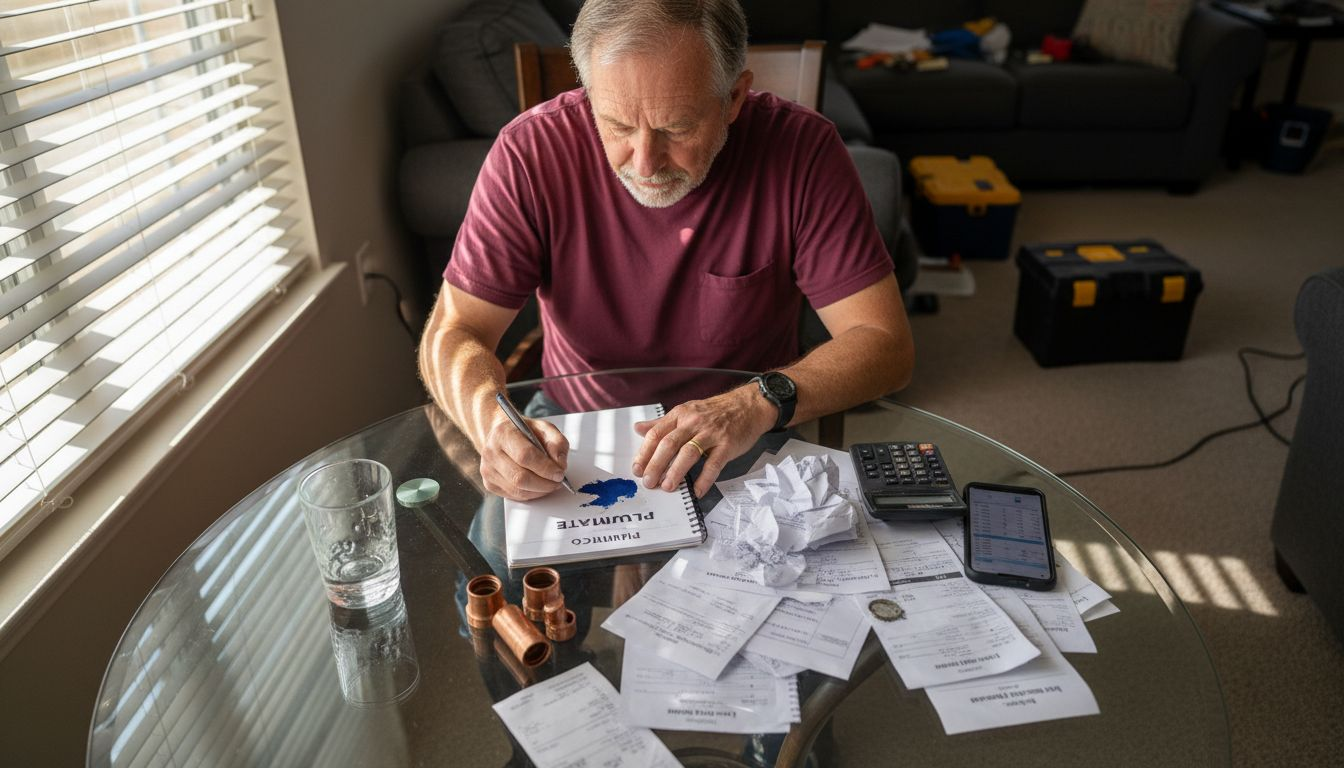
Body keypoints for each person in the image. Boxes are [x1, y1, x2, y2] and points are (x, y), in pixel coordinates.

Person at [419, 0, 914, 503]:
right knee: (489, 555)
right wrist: (491, 425)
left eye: (675, 128)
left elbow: (884, 342)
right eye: (617, 125)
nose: (644, 163)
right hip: (576, 427)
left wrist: (755, 402)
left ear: (734, 98)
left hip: (745, 426)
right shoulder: (530, 153)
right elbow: (455, 330)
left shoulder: (803, 151)